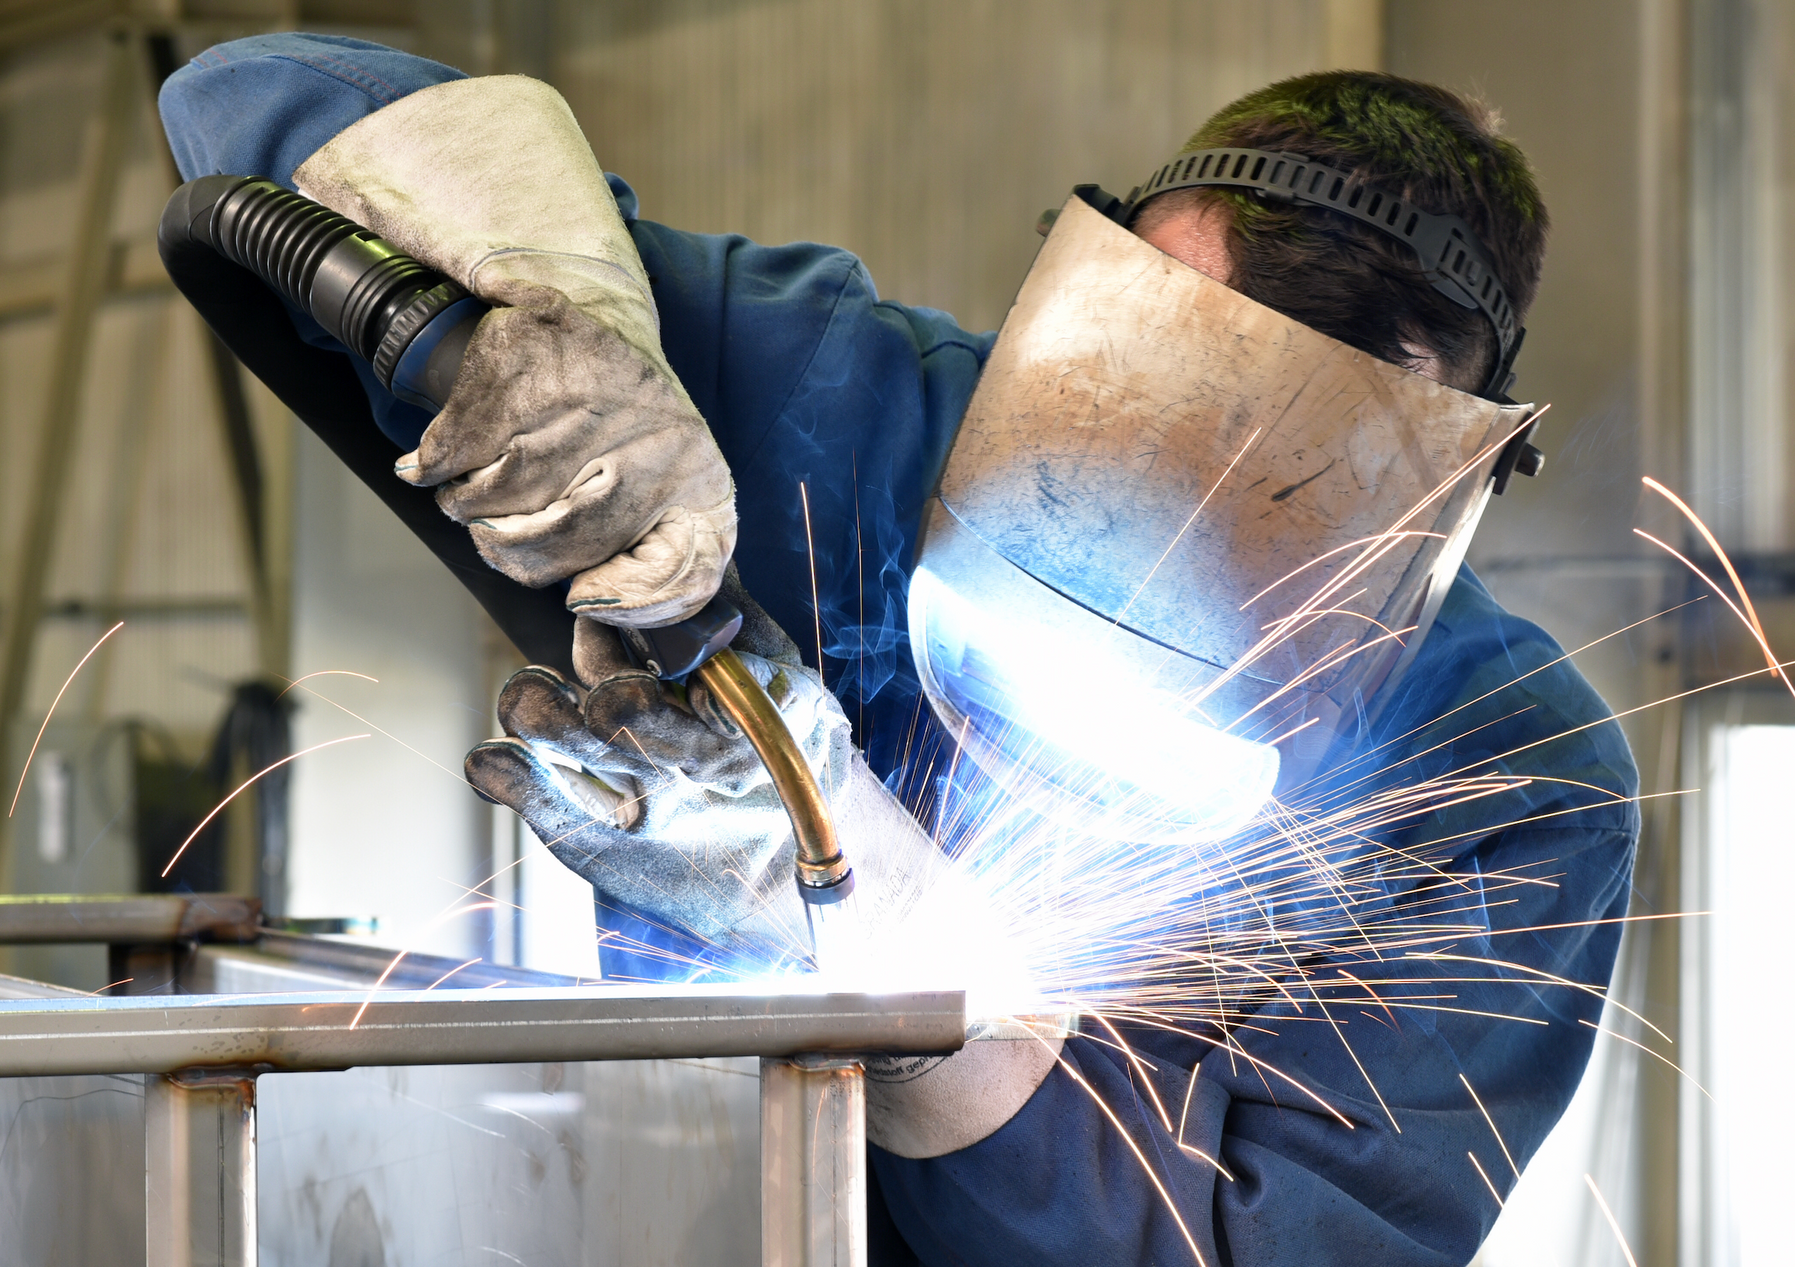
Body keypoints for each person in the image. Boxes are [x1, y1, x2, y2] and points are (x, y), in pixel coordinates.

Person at [159, 35, 1637, 1266]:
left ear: (1443, 486)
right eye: (1173, 385)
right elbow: (246, 112)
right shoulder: (832, 399)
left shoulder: (1512, 769)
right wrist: (576, 334)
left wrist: (862, 925)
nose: (1186, 504)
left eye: (1292, 471)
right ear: (1092, 288)